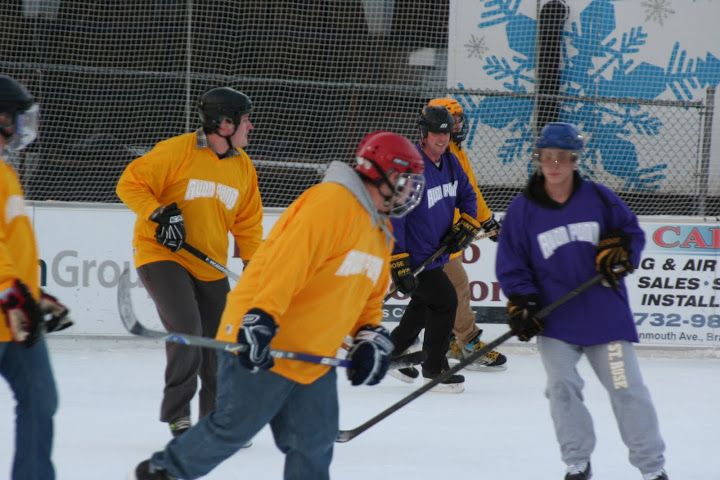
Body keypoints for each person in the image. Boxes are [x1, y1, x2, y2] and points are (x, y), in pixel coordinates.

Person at [130, 130, 426, 480]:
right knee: (232, 429)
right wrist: (260, 318)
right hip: (264, 339)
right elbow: (286, 262)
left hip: (311, 359)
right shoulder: (331, 203)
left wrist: (369, 336)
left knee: (313, 444)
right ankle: (162, 472)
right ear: (382, 174)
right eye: (406, 179)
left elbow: (369, 298)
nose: (411, 189)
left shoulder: (380, 231)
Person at [495, 123, 668, 480]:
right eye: (547, 157)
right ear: (538, 159)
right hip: (555, 322)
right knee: (561, 388)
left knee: (626, 388)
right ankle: (577, 463)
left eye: (562, 157)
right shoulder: (522, 210)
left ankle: (652, 469)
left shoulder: (600, 198)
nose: (554, 165)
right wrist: (523, 301)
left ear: (576, 160)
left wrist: (622, 253)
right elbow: (512, 263)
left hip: (605, 319)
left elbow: (631, 234)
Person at [116, 86, 264, 438]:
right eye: (246, 120)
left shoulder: (243, 167)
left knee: (219, 342)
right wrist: (159, 214)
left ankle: (215, 418)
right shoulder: (175, 151)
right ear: (225, 124)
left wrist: (254, 267)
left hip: (209, 264)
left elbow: (248, 224)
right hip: (163, 255)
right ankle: (178, 414)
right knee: (187, 331)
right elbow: (129, 184)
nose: (251, 126)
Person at [0, 74, 72, 480]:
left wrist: (33, 294)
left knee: (41, 400)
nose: (24, 126)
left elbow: (10, 247)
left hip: (15, 315)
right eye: (19, 116)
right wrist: (10, 293)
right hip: (8, 306)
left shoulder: (5, 172)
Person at [386, 105, 481, 393]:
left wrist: (467, 222)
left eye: (446, 133)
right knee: (445, 301)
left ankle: (391, 354)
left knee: (423, 306)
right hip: (415, 256)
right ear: (424, 134)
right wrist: (398, 259)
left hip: (437, 253)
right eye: (436, 134)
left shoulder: (450, 162)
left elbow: (468, 195)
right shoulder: (411, 168)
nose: (442, 139)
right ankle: (434, 368)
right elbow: (396, 216)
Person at [426, 97, 507, 372]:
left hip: (452, 234)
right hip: (440, 237)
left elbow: (470, 191)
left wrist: (486, 221)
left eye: (460, 119)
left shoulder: (455, 150)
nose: (458, 124)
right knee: (456, 287)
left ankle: (449, 341)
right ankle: (468, 343)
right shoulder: (441, 154)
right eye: (454, 120)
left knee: (442, 294)